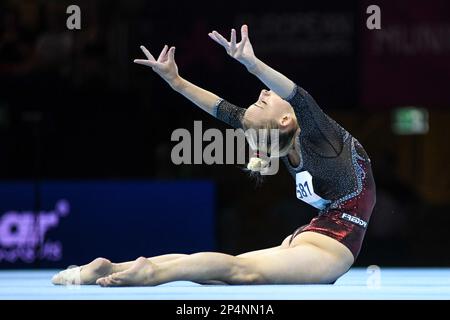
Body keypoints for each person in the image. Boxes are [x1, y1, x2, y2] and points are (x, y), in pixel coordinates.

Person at [52, 25, 376, 287]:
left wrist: (180, 81)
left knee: (223, 275)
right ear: (285, 120)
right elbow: (282, 98)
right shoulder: (317, 137)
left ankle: (112, 267)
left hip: (315, 236)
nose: (263, 92)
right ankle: (151, 274)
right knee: (238, 271)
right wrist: (238, 67)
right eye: (263, 101)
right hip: (331, 247)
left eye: (261, 100)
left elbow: (226, 108)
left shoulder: (306, 139)